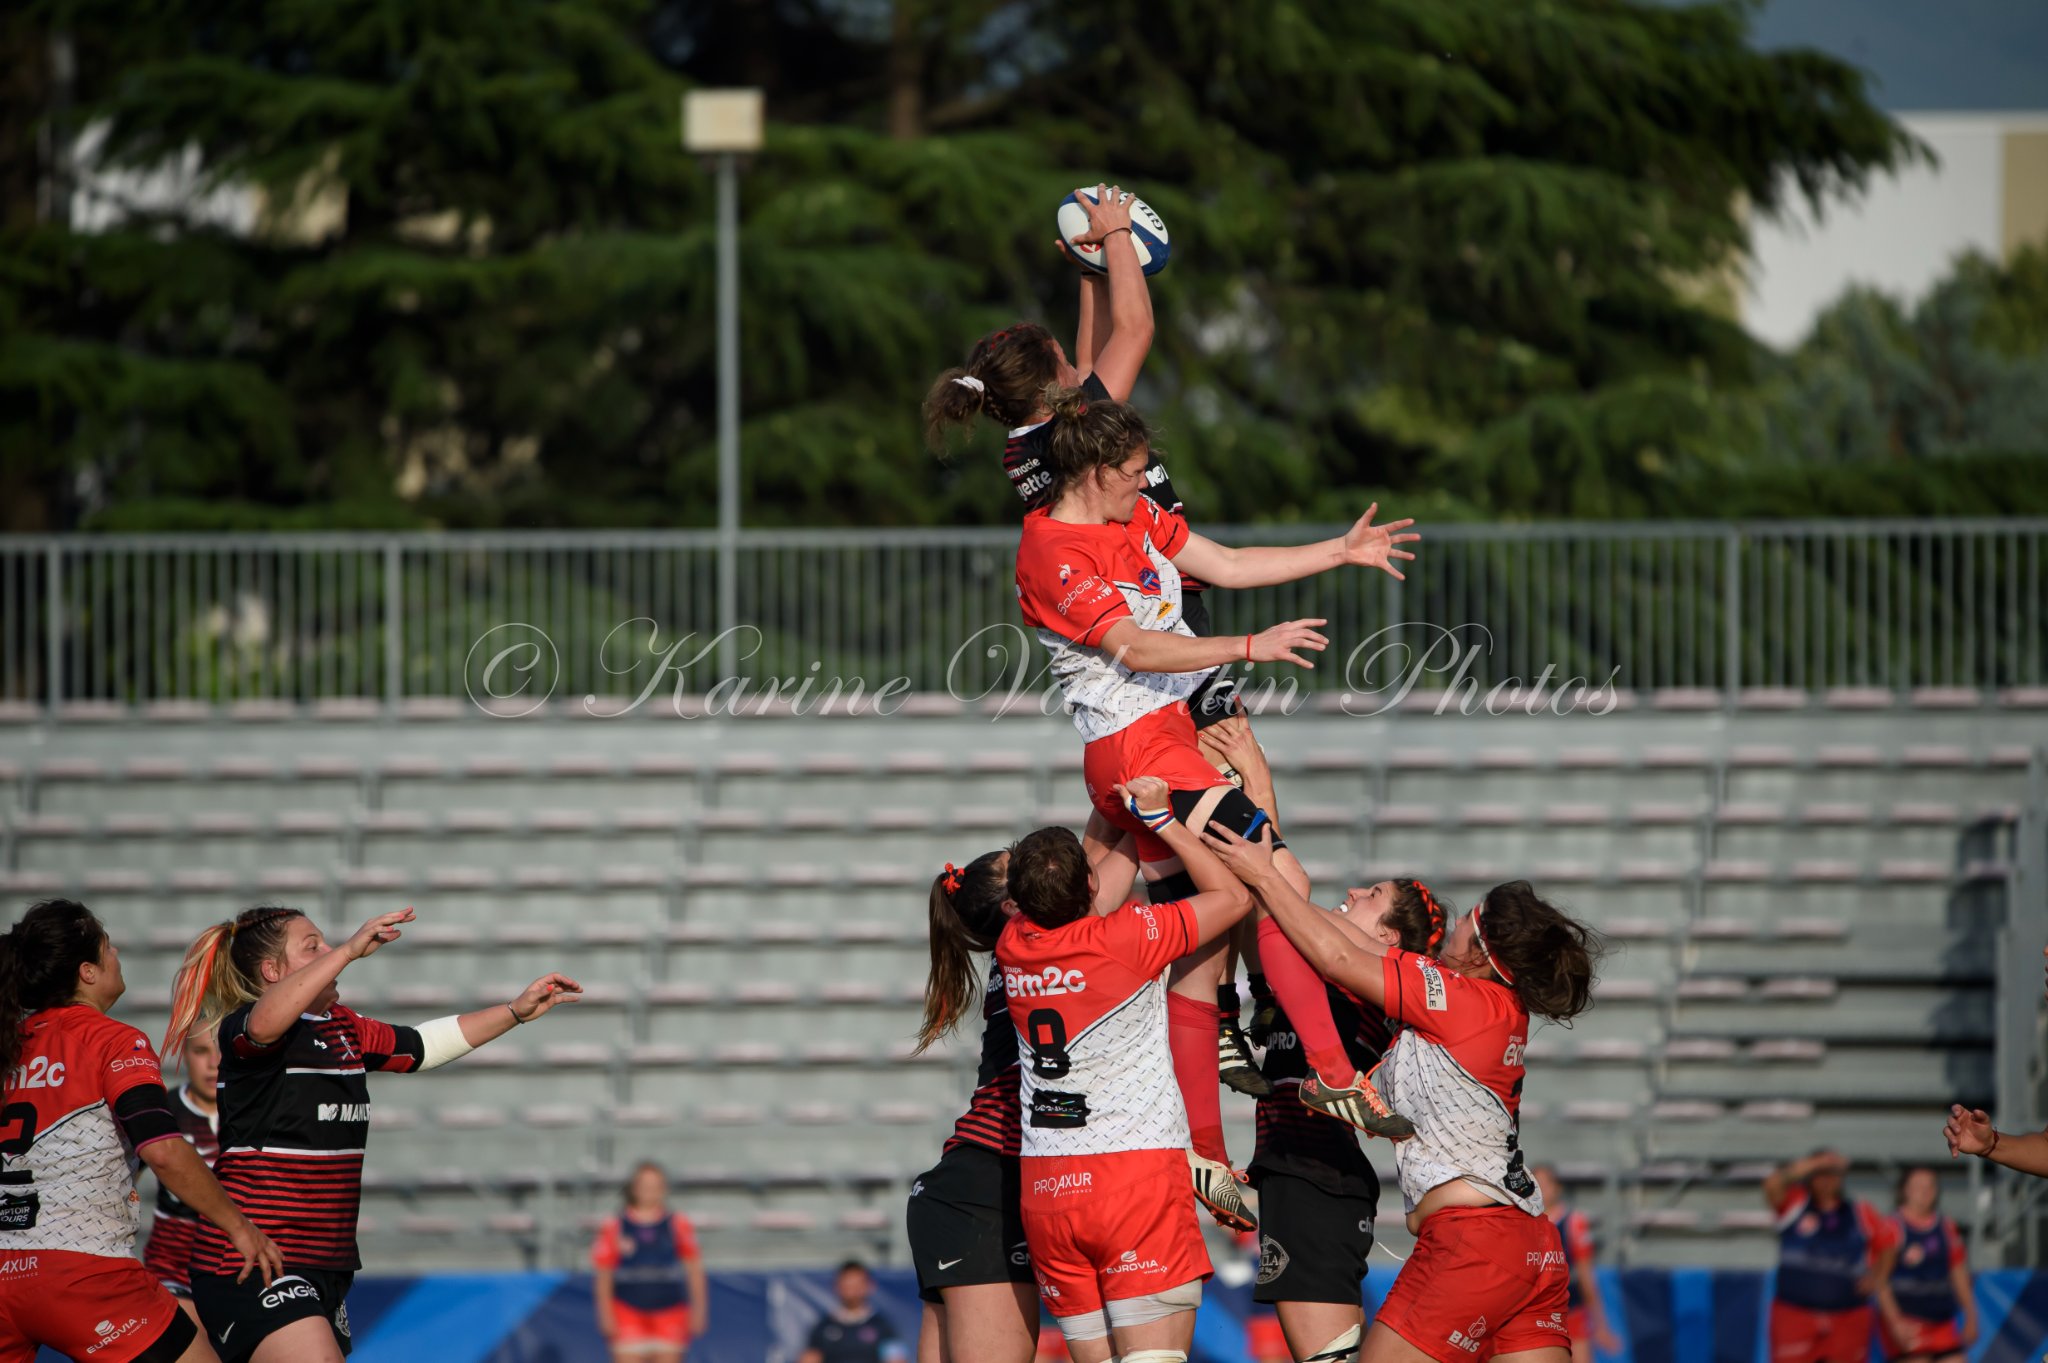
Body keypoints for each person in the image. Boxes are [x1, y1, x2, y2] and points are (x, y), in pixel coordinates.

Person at [1013, 386, 1421, 1176]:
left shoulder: (1127, 517)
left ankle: (1204, 1151)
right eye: (1134, 471)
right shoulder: (1053, 546)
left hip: (1160, 747)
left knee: (1204, 950)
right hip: (1139, 753)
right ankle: (1336, 1076)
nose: (1145, 483)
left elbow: (1226, 563)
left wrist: (1338, 550)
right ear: (1096, 470)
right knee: (1277, 875)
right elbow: (1134, 647)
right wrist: (1248, 647)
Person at [1206, 827, 1604, 1363]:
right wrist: (1268, 875)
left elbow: (1340, 960)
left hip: (1472, 1243)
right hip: (1532, 1243)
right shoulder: (1491, 1004)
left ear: (1482, 953)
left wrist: (1259, 876)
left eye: (1468, 921)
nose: (1455, 926)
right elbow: (1353, 941)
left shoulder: (1459, 997)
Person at [160, 904, 581, 1363]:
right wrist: (347, 952)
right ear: (272, 971)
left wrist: (514, 1012)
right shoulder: (247, 1031)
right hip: (255, 1260)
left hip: (327, 1264)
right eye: (313, 947)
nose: (328, 952)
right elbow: (265, 1023)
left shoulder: (343, 1026)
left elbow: (422, 1046)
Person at [1207, 717, 1444, 1363]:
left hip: (1316, 1176)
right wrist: (1256, 780)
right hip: (1301, 1169)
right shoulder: (1332, 956)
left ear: (1391, 935)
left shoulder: (1376, 968)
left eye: (1371, 895)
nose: (1355, 892)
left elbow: (1282, 888)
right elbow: (1277, 894)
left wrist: (1255, 782)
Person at [999, 781, 1258, 1363]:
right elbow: (1234, 898)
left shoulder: (1014, 942)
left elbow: (1091, 874)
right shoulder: (1126, 937)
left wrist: (1119, 795)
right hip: (1131, 1180)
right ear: (1088, 886)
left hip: (1046, 1190)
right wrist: (1160, 818)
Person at [0, 899, 281, 1363]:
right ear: (87, 971)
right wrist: (240, 1228)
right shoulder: (112, 1040)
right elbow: (164, 1151)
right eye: (109, 948)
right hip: (83, 1273)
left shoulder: (11, 1044)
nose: (118, 957)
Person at [907, 835, 1140, 1363]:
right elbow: (1119, 855)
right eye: (1024, 866)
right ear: (1015, 905)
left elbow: (1089, 857)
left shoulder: (1026, 946)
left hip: (965, 1186)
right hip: (988, 1189)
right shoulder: (1048, 942)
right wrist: (1153, 798)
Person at [1761, 1149, 1898, 1363]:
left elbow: (1889, 1243)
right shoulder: (1794, 1204)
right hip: (1795, 1316)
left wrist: (1878, 1277)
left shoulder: (1860, 1211)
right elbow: (1772, 1185)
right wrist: (1813, 1162)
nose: (1826, 1181)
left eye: (1832, 1174)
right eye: (1820, 1174)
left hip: (1848, 1317)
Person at [142, 1020, 225, 1320]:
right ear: (185, 1056)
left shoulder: (258, 1113)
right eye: (201, 1051)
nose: (213, 1063)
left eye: (222, 1051)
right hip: (173, 1268)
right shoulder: (161, 1110)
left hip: (241, 1270)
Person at [591, 1162, 708, 1363]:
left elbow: (694, 1270)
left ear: (664, 1189)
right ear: (634, 1188)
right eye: (645, 1185)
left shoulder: (677, 1224)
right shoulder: (615, 1225)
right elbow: (604, 1274)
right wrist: (605, 1314)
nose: (649, 1191)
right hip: (627, 1312)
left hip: (669, 1312)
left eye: (655, 1186)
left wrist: (699, 1310)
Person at [1872, 1167, 1975, 1363]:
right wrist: (1895, 1323)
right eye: (1918, 1186)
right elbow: (1880, 1280)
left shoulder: (1946, 1227)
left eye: (1930, 1186)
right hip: (1908, 1320)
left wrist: (1971, 1314)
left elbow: (1958, 1272)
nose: (1925, 1191)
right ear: (1905, 1191)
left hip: (1942, 1321)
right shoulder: (1892, 1228)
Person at [1530, 1166, 1620, 1363]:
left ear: (1558, 1188)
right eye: (1537, 1184)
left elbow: (1586, 1275)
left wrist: (1600, 1325)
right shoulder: (1524, 1223)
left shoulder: (1574, 1222)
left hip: (1570, 1311)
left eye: (1547, 1184)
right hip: (1534, 1316)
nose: (1543, 1189)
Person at [798, 1260, 907, 1363]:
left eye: (856, 1285)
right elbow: (810, 1358)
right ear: (837, 1286)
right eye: (847, 1285)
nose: (851, 1291)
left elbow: (896, 1359)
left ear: (869, 1286)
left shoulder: (882, 1326)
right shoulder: (823, 1327)